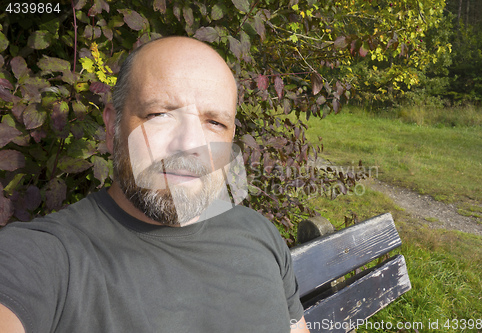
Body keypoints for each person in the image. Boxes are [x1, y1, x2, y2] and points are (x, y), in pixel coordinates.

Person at [0, 37, 310, 332]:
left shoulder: (259, 234)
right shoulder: (41, 257)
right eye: (160, 114)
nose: (190, 143)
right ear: (112, 126)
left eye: (214, 122)